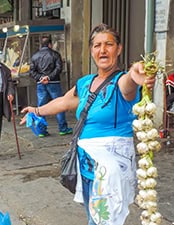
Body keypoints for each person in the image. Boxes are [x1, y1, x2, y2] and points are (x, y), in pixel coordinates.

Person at [20, 23, 155, 225]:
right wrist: (37, 110)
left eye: (109, 44)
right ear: (91, 50)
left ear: (118, 49)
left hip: (110, 168)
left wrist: (134, 76)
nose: (103, 50)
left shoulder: (121, 81)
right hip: (84, 164)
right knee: (93, 215)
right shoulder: (85, 83)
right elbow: (64, 102)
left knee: (104, 220)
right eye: (97, 45)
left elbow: (127, 87)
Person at [29, 36, 72, 137]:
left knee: (41, 106)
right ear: (50, 44)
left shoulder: (35, 56)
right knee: (59, 105)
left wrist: (41, 78)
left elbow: (32, 71)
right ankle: (63, 128)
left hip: (40, 84)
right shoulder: (55, 54)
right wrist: (48, 77)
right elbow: (58, 68)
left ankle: (41, 130)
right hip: (54, 82)